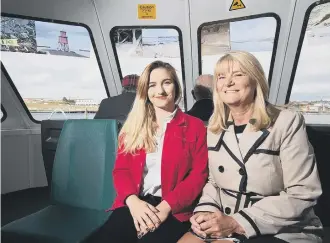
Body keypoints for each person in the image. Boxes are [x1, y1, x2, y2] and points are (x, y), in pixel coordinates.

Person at [178, 51, 323, 243]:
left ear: (256, 81)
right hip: (225, 220)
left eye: (237, 75)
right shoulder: (215, 126)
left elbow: (303, 192)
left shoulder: (286, 122)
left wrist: (236, 222)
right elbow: (214, 183)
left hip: (280, 226)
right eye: (222, 77)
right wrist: (206, 212)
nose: (228, 82)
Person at [85, 60, 208, 243]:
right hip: (135, 203)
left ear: (176, 87)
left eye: (167, 83)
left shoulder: (195, 126)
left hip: (173, 209)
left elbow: (198, 175)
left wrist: (166, 208)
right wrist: (132, 201)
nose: (160, 91)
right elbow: (121, 171)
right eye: (152, 85)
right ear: (145, 90)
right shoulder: (133, 127)